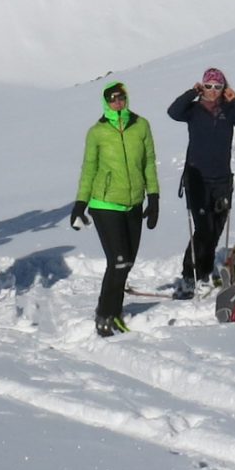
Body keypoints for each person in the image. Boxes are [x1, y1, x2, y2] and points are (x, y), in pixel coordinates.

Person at [70, 79, 159, 337]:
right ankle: (105, 314)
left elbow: (149, 163)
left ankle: (114, 311)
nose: (117, 102)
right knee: (118, 261)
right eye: (112, 99)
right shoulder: (97, 132)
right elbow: (89, 169)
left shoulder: (141, 126)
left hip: (133, 202)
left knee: (127, 262)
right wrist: (80, 204)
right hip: (104, 202)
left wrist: (153, 197)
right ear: (105, 102)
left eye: (121, 98)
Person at [165, 67, 235, 294]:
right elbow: (173, 112)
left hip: (222, 180)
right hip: (197, 179)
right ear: (202, 87)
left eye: (218, 87)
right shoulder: (193, 110)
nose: (213, 91)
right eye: (208, 86)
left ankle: (204, 271)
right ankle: (189, 274)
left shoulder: (229, 110)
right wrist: (191, 93)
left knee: (215, 229)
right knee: (203, 229)